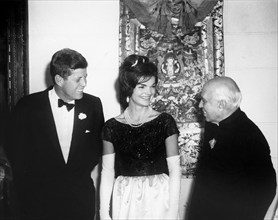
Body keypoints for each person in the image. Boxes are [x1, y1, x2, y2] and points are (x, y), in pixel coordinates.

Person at [5, 48, 104, 220]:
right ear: (59, 79)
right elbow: (17, 154)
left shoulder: (93, 105)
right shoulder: (28, 106)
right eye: (78, 79)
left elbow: (97, 147)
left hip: (80, 201)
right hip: (38, 203)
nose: (84, 83)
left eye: (85, 77)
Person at [99, 54, 181, 220]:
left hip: (159, 198)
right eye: (142, 87)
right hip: (125, 199)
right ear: (129, 87)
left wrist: (172, 212)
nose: (149, 92)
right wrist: (103, 213)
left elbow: (175, 169)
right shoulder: (111, 127)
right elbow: (107, 172)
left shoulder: (165, 122)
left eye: (152, 86)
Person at [187, 76, 277, 220]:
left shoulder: (249, 135)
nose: (199, 106)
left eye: (204, 101)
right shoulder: (213, 125)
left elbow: (266, 188)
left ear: (221, 105)